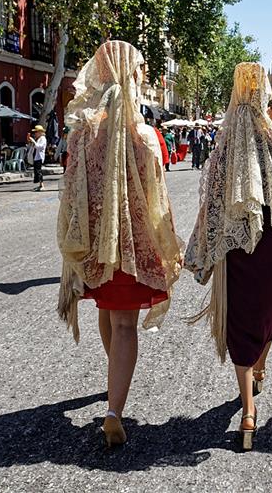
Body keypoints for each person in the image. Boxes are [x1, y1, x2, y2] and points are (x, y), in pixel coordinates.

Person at [56, 41, 184, 447]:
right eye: (141, 67)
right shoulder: (143, 136)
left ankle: (115, 381)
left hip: (95, 247)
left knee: (108, 312)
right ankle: (114, 411)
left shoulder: (82, 134)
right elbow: (155, 201)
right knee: (126, 323)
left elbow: (70, 193)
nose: (144, 73)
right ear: (129, 73)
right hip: (132, 248)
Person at [185, 62, 272, 452]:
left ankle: (247, 410)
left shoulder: (223, 149)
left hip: (237, 245)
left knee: (240, 319)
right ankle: (260, 366)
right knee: (267, 314)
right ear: (268, 100)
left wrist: (202, 248)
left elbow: (210, 204)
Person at [27, 125, 47, 191]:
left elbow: (39, 147)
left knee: (39, 171)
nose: (35, 134)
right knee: (37, 171)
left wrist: (33, 141)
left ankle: (42, 185)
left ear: (40, 132)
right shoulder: (38, 139)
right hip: (36, 157)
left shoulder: (43, 139)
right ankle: (40, 185)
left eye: (36, 132)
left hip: (39, 157)